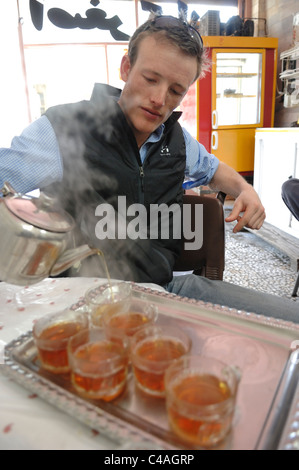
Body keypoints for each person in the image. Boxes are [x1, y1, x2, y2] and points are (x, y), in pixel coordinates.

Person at [0, 15, 298, 322]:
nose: (159, 100)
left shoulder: (176, 140)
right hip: (81, 304)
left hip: (163, 290)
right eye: (151, 79)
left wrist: (244, 189)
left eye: (175, 90)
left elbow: (213, 168)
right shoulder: (65, 130)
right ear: (126, 68)